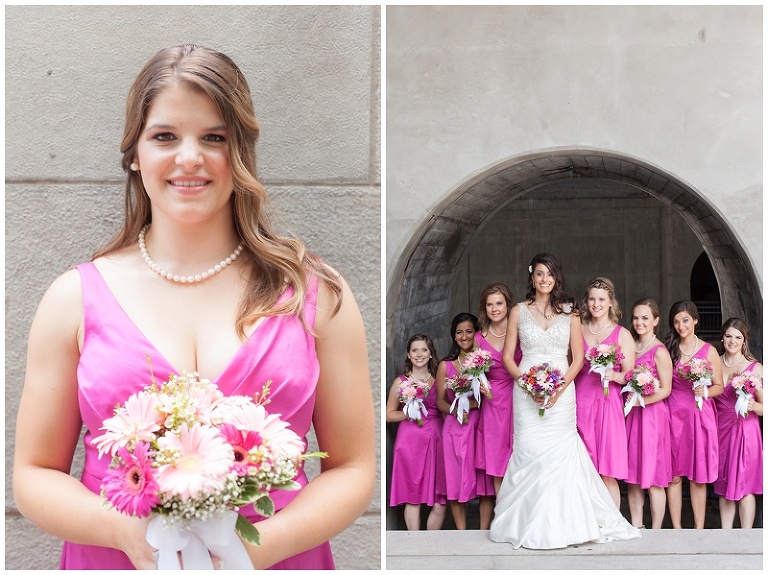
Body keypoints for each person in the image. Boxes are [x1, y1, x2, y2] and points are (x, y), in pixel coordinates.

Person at [12, 45, 375, 570]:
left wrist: (251, 549)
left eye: (214, 138)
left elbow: (354, 467)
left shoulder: (316, 295)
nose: (189, 158)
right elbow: (33, 474)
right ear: (135, 153)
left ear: (241, 152)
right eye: (164, 137)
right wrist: (128, 533)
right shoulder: (71, 300)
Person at [490, 253, 639, 549]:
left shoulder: (570, 312)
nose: (545, 280)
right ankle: (524, 521)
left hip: (562, 390)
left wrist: (558, 389)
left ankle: (564, 524)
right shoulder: (518, 311)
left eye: (550, 274)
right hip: (526, 390)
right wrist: (527, 384)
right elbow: (507, 357)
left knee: (560, 454)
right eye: (540, 274)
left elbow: (578, 358)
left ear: (557, 278)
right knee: (529, 451)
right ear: (532, 277)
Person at [574, 277, 635, 509]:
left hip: (609, 404)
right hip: (582, 401)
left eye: (601, 299)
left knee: (607, 469)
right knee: (583, 467)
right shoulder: (578, 329)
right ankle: (586, 521)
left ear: (611, 302)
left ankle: (613, 521)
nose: (596, 304)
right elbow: (571, 364)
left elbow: (630, 375)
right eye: (591, 299)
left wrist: (615, 376)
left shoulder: (622, 334)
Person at [664, 300, 723, 529]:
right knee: (675, 474)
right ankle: (677, 528)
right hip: (673, 415)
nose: (681, 326)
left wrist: (705, 391)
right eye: (676, 321)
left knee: (698, 476)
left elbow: (719, 385)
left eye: (685, 320)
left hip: (699, 416)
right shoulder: (669, 348)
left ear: (696, 320)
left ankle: (699, 528)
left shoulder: (709, 350)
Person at [435, 313, 494, 530]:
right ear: (453, 335)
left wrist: (475, 405)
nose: (464, 336)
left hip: (480, 425)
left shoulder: (485, 362)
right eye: (459, 332)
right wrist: (456, 407)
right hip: (453, 427)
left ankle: (483, 528)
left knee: (483, 478)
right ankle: (461, 532)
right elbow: (440, 401)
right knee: (454, 476)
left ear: (476, 333)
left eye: (469, 331)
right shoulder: (446, 365)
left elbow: (492, 396)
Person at [386, 334, 447, 530]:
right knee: (412, 497)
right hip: (409, 442)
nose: (419, 354)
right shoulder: (400, 381)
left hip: (435, 440)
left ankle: (429, 546)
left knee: (440, 501)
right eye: (414, 350)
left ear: (431, 354)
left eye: (424, 350)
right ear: (408, 354)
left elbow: (447, 406)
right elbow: (388, 415)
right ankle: (414, 544)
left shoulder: (439, 378)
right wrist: (406, 412)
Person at [625, 298, 673, 529]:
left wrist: (640, 401)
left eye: (645, 318)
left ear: (655, 321)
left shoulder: (659, 351)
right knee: (633, 474)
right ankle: (637, 525)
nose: (639, 322)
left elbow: (666, 389)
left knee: (654, 475)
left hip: (652, 416)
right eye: (636, 317)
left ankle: (656, 530)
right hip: (631, 417)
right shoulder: (629, 345)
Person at [713, 318, 763, 528]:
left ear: (744, 341)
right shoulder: (714, 363)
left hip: (745, 431)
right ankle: (725, 537)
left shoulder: (755, 368)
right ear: (722, 337)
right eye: (728, 336)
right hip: (720, 429)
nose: (732, 341)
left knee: (744, 485)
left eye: (738, 337)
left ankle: (746, 536)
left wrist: (752, 406)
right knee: (724, 485)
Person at [474, 281, 519, 497]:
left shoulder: (520, 330)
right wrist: (478, 384)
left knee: (519, 455)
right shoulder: (479, 339)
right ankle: (502, 511)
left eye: (499, 303)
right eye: (490, 305)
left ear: (508, 305)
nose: (495, 309)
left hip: (519, 396)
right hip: (493, 402)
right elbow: (474, 372)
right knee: (496, 459)